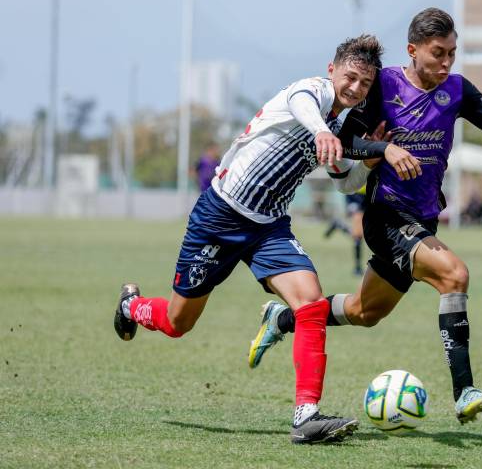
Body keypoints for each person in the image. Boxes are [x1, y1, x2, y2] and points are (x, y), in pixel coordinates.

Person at [248, 8, 482, 425]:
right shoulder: (383, 84)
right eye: (438, 53)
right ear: (413, 50)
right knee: (454, 275)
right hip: (386, 216)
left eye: (452, 53)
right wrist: (384, 149)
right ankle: (464, 391)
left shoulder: (458, 90)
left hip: (423, 221)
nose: (446, 62)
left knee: (365, 312)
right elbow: (344, 140)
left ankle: (282, 318)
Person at [112, 35, 420, 444]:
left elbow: (346, 182)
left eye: (365, 83)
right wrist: (322, 132)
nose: (356, 88)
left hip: (269, 226)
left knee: (311, 302)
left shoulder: (339, 126)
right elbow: (302, 105)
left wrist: (370, 161)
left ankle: (306, 417)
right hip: (219, 217)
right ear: (332, 70)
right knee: (178, 322)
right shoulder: (311, 91)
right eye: (350, 77)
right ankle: (131, 306)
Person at [324, 187, 367, 275]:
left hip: (369, 196)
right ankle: (357, 267)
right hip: (356, 196)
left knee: (361, 234)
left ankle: (339, 224)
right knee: (358, 236)